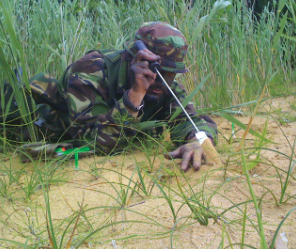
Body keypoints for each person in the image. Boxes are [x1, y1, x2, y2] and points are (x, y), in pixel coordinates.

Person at [27, 22, 218, 171]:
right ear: (132, 58)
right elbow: (91, 142)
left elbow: (193, 121)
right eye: (159, 72)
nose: (163, 81)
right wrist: (135, 95)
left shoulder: (163, 83)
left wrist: (195, 140)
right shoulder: (90, 71)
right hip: (43, 125)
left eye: (171, 74)